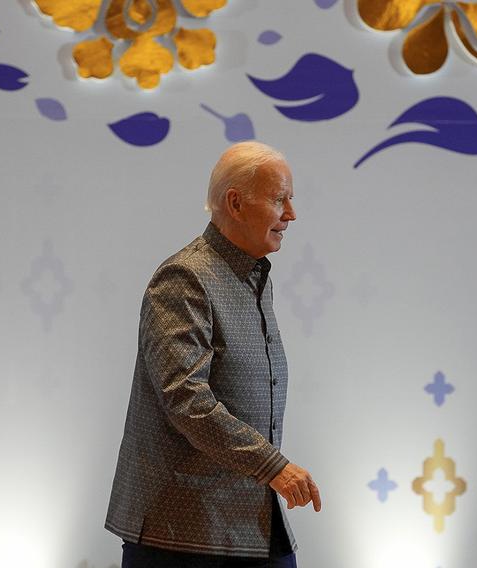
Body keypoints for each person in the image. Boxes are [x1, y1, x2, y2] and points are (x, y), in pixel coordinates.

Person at [105, 141, 321, 568]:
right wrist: (272, 465)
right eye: (280, 199)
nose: (292, 214)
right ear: (236, 203)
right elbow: (186, 400)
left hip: (250, 524)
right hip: (183, 535)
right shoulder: (185, 278)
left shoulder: (254, 278)